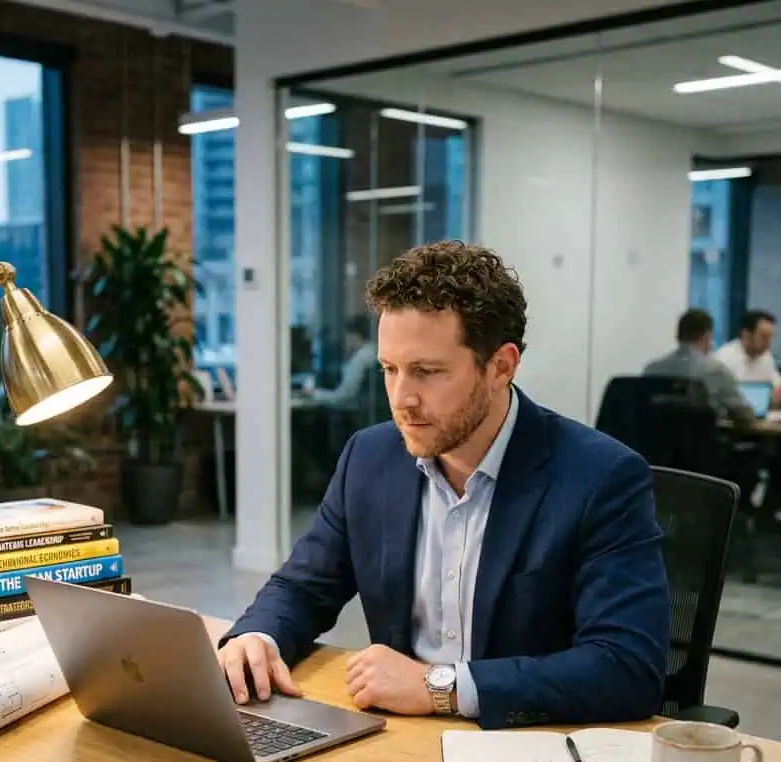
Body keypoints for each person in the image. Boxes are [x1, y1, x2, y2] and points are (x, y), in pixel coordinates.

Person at [216, 241, 670, 730]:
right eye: (389, 369)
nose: (401, 398)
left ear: (501, 367)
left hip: (527, 747)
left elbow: (627, 667)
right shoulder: (370, 458)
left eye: (427, 372)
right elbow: (303, 587)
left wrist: (440, 686)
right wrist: (257, 638)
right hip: (400, 739)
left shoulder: (600, 477)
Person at [643, 308, 755, 424]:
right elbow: (744, 416)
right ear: (707, 336)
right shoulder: (716, 370)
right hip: (700, 440)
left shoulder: (651, 370)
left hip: (655, 440)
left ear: (677, 336)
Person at [714, 309, 781, 405]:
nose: (768, 344)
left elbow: (776, 385)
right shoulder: (724, 359)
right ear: (746, 334)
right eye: (764, 337)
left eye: (770, 337)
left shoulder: (766, 357)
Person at [311, 315, 378, 410]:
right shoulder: (375, 351)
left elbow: (341, 397)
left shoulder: (359, 359)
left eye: (347, 337)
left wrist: (314, 394)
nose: (345, 341)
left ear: (355, 336)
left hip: (354, 413)